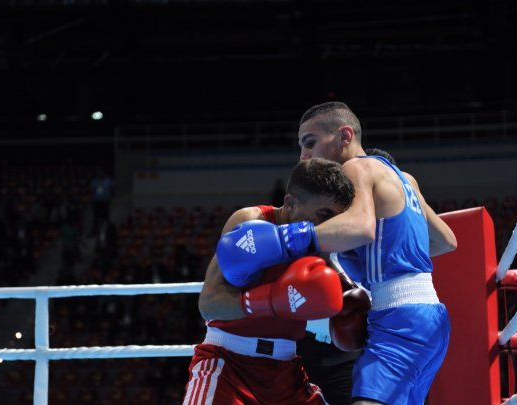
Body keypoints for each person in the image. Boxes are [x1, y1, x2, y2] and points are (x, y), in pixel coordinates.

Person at [216, 102, 457, 404]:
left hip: (400, 319)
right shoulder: (404, 179)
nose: (304, 155)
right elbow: (445, 241)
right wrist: (378, 257)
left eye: (311, 143)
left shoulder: (357, 166)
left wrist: (282, 239)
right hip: (430, 316)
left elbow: (362, 227)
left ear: (344, 136)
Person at [184, 158, 358, 404]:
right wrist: (270, 300)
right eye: (324, 214)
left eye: (335, 218)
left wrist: (350, 301)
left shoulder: (321, 242)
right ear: (290, 203)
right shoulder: (250, 222)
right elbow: (209, 304)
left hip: (286, 372)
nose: (329, 225)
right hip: (228, 364)